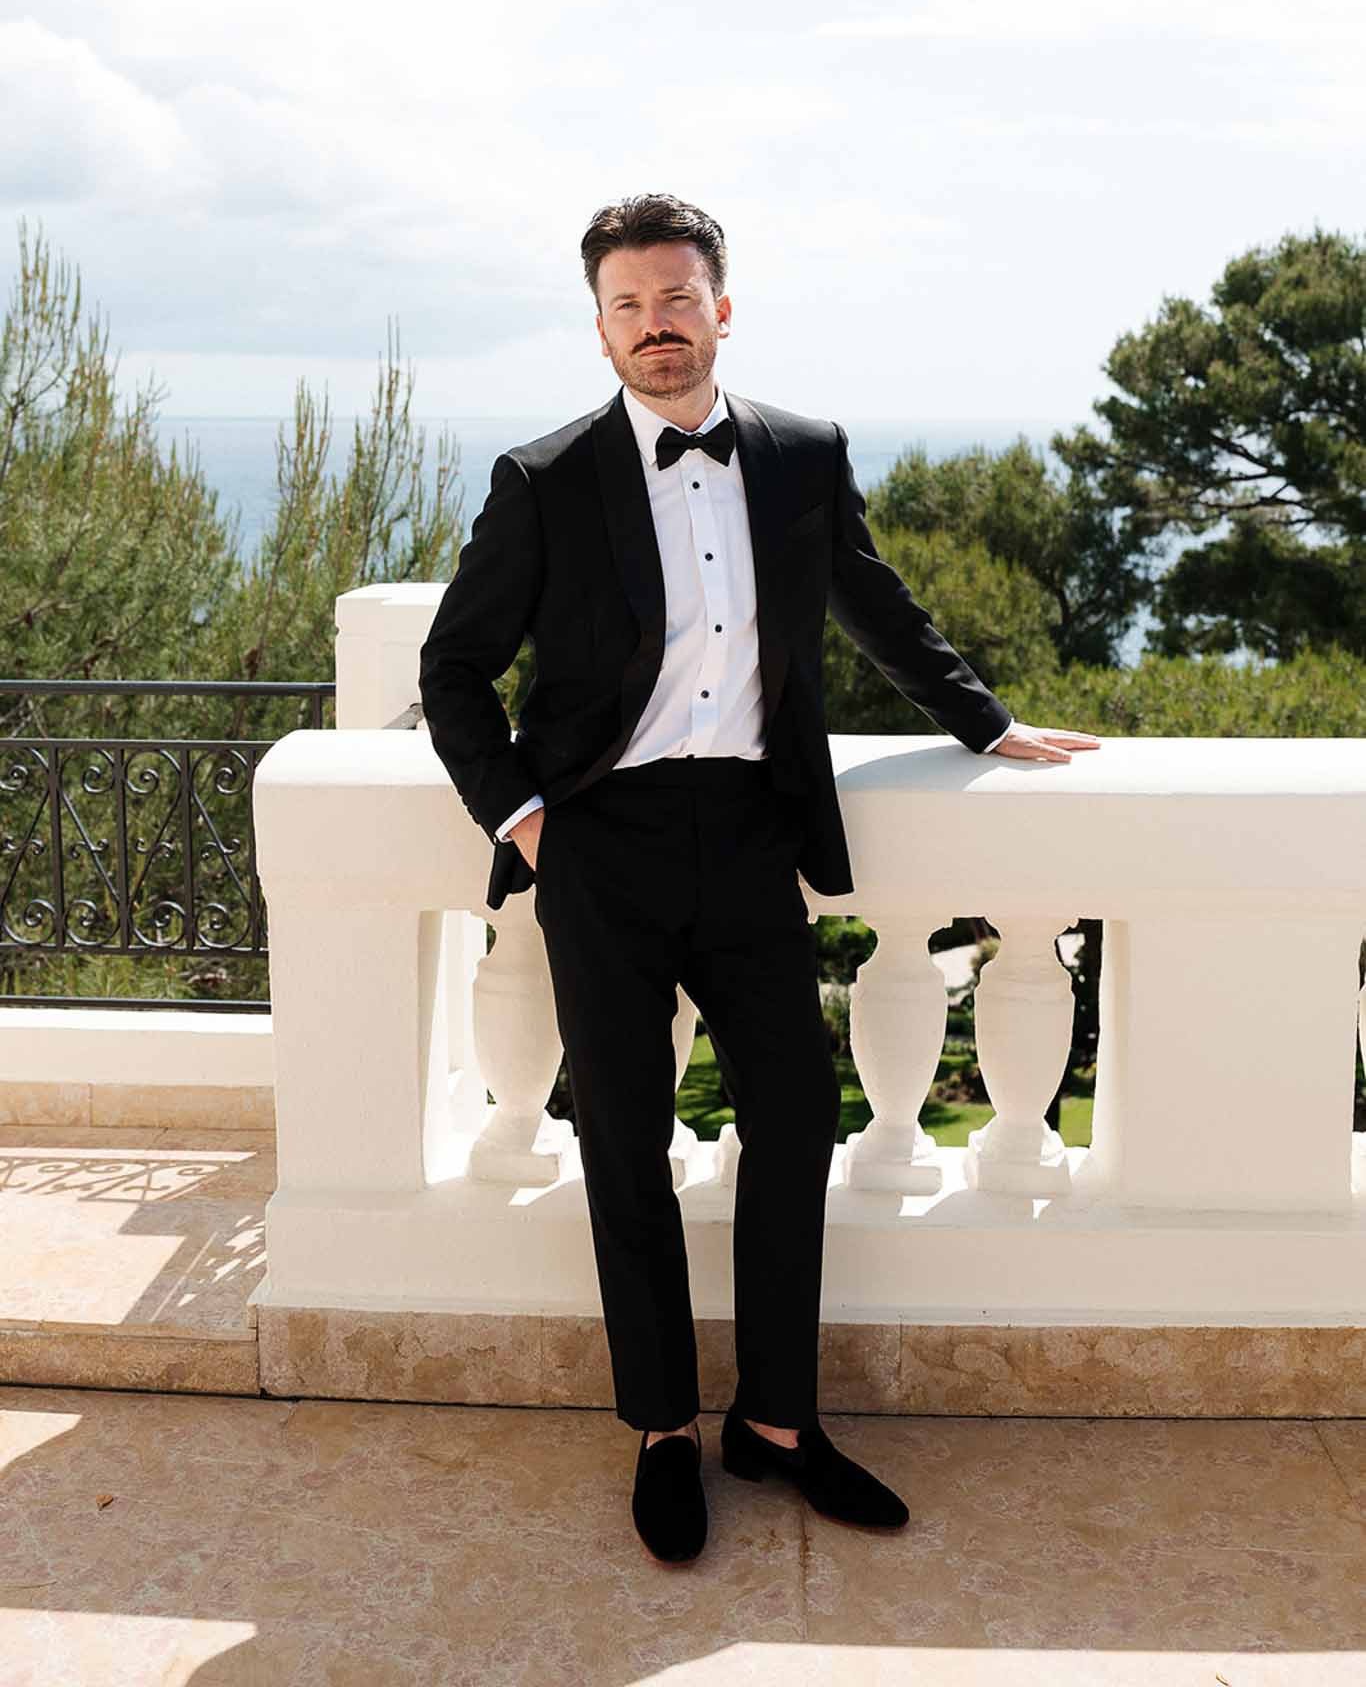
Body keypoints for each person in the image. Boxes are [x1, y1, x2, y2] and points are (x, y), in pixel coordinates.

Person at [418, 192, 1101, 1565]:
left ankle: (776, 1424)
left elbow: (869, 595)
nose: (655, 328)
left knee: (792, 1121)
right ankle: (664, 1430)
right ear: (599, 324)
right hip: (599, 845)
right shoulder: (543, 480)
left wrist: (978, 720)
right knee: (621, 1138)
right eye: (628, 305)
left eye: (677, 299)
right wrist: (525, 819)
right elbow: (452, 670)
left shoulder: (798, 453)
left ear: (719, 307)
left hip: (748, 835)